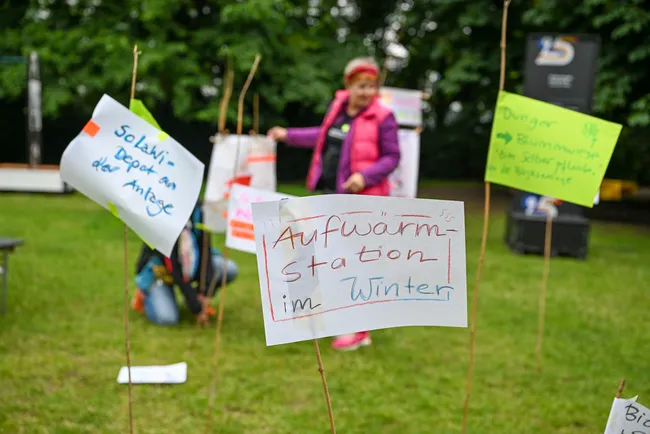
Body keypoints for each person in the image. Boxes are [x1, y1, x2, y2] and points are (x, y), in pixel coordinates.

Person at [267, 56, 400, 351]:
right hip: (331, 198)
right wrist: (287, 135)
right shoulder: (339, 110)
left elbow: (392, 157)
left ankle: (359, 330)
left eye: (372, 86)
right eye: (361, 85)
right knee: (329, 261)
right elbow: (321, 137)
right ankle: (336, 318)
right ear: (349, 85)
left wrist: (364, 177)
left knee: (356, 265)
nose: (366, 92)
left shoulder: (383, 116)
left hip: (364, 202)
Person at [131, 201, 238, 326]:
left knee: (228, 269)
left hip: (192, 263)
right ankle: (144, 294)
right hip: (161, 272)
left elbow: (206, 253)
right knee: (167, 319)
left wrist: (205, 292)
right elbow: (175, 269)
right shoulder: (162, 214)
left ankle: (199, 299)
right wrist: (196, 308)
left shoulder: (199, 211)